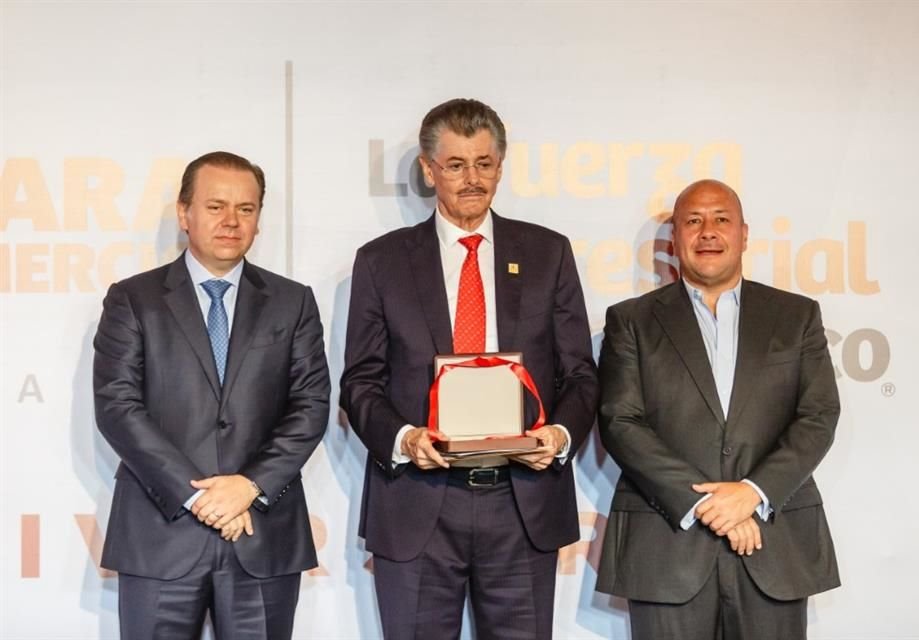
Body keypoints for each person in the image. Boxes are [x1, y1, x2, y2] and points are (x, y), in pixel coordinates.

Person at [340, 98, 598, 639]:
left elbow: (580, 374)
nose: (472, 178)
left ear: (500, 168)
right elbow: (360, 382)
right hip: (416, 501)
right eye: (456, 165)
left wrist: (560, 433)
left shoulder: (548, 253)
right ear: (429, 170)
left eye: (484, 163)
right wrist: (405, 438)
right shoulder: (380, 262)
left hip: (522, 502)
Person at [93, 151, 330, 639]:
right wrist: (198, 496)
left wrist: (248, 486)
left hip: (261, 533)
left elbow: (311, 406)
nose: (231, 221)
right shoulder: (133, 299)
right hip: (161, 534)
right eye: (215, 206)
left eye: (245, 209)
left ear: (259, 221)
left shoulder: (293, 300)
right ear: (184, 214)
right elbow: (118, 406)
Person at [596, 179, 841, 639]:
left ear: (744, 235)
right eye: (693, 221)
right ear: (675, 240)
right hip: (667, 547)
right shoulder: (631, 321)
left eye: (721, 219)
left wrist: (753, 491)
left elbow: (818, 415)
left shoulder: (796, 316)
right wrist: (707, 503)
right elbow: (620, 422)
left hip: (773, 543)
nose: (708, 231)